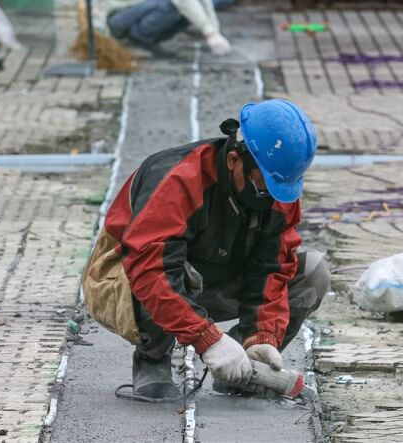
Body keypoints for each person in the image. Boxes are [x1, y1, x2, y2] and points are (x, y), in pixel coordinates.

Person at [83, 99, 330, 400]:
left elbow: (273, 268)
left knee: (313, 271)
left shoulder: (278, 190)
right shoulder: (179, 180)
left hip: (208, 277)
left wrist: (262, 335)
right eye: (262, 184)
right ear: (234, 160)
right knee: (167, 268)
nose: (269, 196)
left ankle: (242, 367)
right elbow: (151, 269)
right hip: (127, 281)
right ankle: (151, 358)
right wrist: (207, 339)